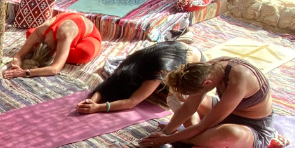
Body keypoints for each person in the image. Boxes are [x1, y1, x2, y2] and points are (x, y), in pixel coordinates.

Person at [139, 58, 280, 148]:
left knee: (228, 133)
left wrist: (166, 139)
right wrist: (166, 131)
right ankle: (206, 141)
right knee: (176, 97)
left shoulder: (240, 80)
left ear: (207, 83)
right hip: (224, 113)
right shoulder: (208, 68)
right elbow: (189, 108)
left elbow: (203, 125)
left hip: (254, 129)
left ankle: (194, 139)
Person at [76, 42, 204, 115]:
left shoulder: (159, 72)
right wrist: (91, 101)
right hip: (173, 49)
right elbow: (110, 83)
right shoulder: (132, 62)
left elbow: (132, 102)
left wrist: (98, 108)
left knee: (172, 98)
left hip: (192, 59)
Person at [3, 12, 103, 80]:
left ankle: (63, 54)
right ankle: (62, 54)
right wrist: (16, 65)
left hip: (90, 35)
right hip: (68, 25)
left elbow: (54, 69)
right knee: (30, 33)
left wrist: (24, 73)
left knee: (83, 53)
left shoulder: (64, 35)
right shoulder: (40, 32)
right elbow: (18, 55)